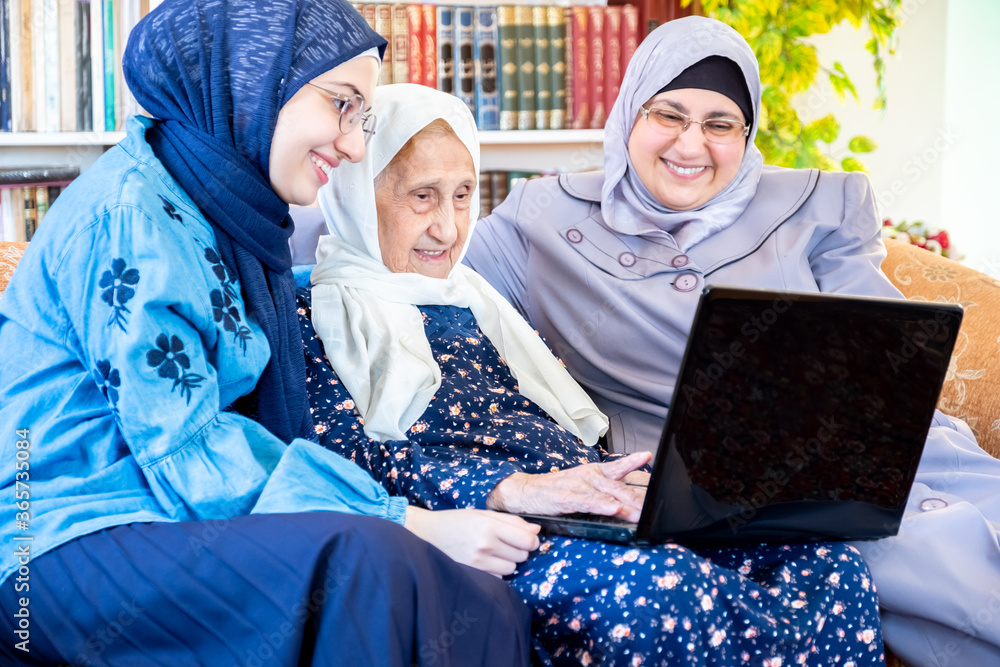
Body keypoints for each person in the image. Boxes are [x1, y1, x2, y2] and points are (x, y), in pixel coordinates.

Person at [0, 2, 533, 665]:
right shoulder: (130, 216)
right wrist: (411, 520)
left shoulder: (224, 211)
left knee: (485, 599)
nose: (355, 144)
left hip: (160, 517)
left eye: (363, 118)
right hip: (55, 539)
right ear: (252, 82)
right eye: (341, 105)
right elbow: (186, 450)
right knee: (368, 563)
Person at [464, 15, 1000, 667]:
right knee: (923, 556)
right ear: (630, 111)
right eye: (670, 115)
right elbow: (405, 243)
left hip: (877, 450)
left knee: (977, 515)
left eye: (720, 124)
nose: (693, 144)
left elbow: (882, 350)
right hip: (720, 486)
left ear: (746, 136)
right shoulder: (539, 222)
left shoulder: (816, 205)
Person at [299, 82, 886, 666]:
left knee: (826, 564)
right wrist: (507, 489)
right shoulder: (314, 314)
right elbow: (340, 462)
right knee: (664, 590)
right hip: (487, 525)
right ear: (355, 190)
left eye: (462, 196)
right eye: (422, 197)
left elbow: (552, 421)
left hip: (581, 497)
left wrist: (637, 479)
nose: (449, 229)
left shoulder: (481, 298)